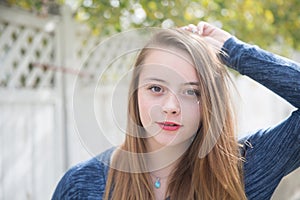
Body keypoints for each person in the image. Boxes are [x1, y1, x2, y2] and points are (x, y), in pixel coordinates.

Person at [52, 22, 300, 200]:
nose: (171, 107)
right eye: (156, 88)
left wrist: (234, 51)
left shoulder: (242, 169)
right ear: (135, 93)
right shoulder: (83, 185)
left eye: (191, 92)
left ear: (211, 101)